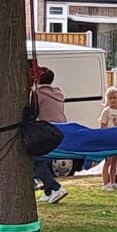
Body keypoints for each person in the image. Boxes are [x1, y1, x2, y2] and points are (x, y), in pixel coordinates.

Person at [33, 67, 68, 204]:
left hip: (46, 130)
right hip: (61, 129)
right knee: (45, 161)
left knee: (37, 161)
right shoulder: (58, 93)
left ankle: (56, 187)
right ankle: (48, 192)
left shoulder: (38, 94)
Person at [98, 87, 117, 191]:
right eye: (110, 98)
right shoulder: (106, 111)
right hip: (109, 140)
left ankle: (113, 182)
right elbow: (103, 125)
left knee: (115, 161)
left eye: (115, 98)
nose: (113, 100)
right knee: (108, 161)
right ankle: (105, 184)